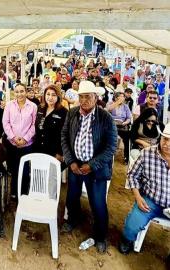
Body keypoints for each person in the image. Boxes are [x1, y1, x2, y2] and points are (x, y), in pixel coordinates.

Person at [61, 80, 117, 253]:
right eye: (81, 97)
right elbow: (64, 136)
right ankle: (72, 220)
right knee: (71, 197)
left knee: (98, 204)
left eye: (88, 97)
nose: (84, 100)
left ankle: (100, 236)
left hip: (96, 169)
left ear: (95, 98)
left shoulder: (105, 117)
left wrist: (92, 165)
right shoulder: (72, 113)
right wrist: (71, 161)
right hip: (75, 166)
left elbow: (111, 146)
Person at [118, 123, 170, 255]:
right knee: (131, 227)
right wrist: (138, 197)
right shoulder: (147, 153)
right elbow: (132, 175)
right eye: (165, 139)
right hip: (150, 201)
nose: (167, 144)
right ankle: (127, 240)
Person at [2, 83, 37, 198]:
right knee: (14, 168)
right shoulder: (9, 105)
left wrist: (25, 139)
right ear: (14, 93)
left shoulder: (32, 106)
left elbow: (34, 125)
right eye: (17, 92)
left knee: (25, 169)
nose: (19, 94)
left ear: (26, 92)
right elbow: (5, 123)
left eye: (22, 91)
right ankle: (13, 191)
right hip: (12, 143)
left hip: (27, 144)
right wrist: (13, 137)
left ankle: (23, 193)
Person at [34, 85, 68, 165]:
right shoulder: (39, 108)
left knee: (52, 177)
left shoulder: (64, 112)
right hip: (38, 150)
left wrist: (60, 153)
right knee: (38, 176)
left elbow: (66, 135)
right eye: (48, 94)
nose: (50, 97)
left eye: (53, 95)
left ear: (58, 97)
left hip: (54, 153)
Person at [106, 92, 132, 163]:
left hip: (122, 126)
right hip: (111, 125)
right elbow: (108, 110)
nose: (122, 98)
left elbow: (129, 117)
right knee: (108, 138)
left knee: (127, 138)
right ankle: (108, 156)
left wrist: (125, 122)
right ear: (116, 97)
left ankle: (126, 157)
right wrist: (117, 102)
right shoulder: (110, 103)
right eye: (120, 96)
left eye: (123, 97)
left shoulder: (125, 106)